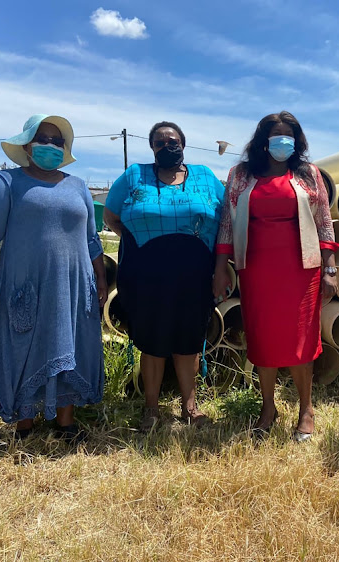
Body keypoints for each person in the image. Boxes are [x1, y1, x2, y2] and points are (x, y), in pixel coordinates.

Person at [0, 114, 107, 443]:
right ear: (27, 144)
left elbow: (92, 240)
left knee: (70, 342)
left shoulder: (77, 186)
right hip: (26, 284)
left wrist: (100, 279)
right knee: (25, 346)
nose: (50, 145)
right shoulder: (5, 183)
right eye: (42, 139)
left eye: (57, 141)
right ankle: (24, 425)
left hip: (74, 287)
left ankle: (66, 423)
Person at [213, 111, 339, 442]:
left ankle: (306, 409)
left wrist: (330, 269)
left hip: (302, 270)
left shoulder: (309, 174)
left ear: (297, 141)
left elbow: (324, 221)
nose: (282, 141)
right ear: (262, 140)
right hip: (256, 269)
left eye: (289, 135)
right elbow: (227, 222)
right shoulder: (240, 175)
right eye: (275, 134)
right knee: (263, 339)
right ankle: (268, 408)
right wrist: (220, 266)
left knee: (300, 341)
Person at [104, 121, 224, 431]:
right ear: (152, 148)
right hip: (146, 273)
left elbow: (226, 218)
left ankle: (190, 407)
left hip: (194, 272)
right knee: (152, 341)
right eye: (159, 142)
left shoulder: (206, 177)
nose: (167, 145)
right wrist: (137, 241)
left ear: (183, 143)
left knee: (188, 341)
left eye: (172, 140)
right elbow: (111, 215)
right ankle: (152, 408)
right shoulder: (135, 175)